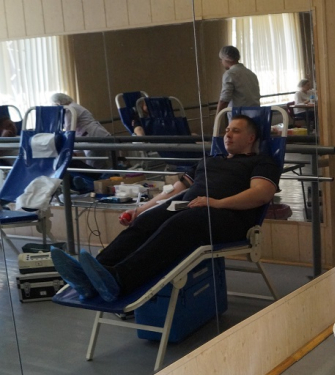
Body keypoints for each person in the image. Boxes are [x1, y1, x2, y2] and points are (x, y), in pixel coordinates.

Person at [51, 115, 281, 302]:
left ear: (251, 138)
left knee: (178, 225)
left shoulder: (261, 162)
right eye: (227, 130)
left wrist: (215, 203)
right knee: (146, 222)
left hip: (228, 217)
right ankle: (93, 273)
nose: (227, 135)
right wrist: (142, 210)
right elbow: (173, 190)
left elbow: (261, 194)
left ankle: (120, 279)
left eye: (235, 131)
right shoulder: (210, 160)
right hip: (191, 209)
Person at [51, 93, 112, 171]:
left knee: (95, 166)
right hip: (94, 135)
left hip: (92, 137)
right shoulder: (74, 106)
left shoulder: (70, 109)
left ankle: (101, 178)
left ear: (58, 103)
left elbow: (68, 129)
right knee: (100, 164)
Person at [215, 45, 261, 117]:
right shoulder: (251, 73)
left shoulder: (230, 74)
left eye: (221, 59)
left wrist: (217, 118)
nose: (221, 62)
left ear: (226, 58)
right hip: (256, 115)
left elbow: (224, 100)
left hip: (240, 116)